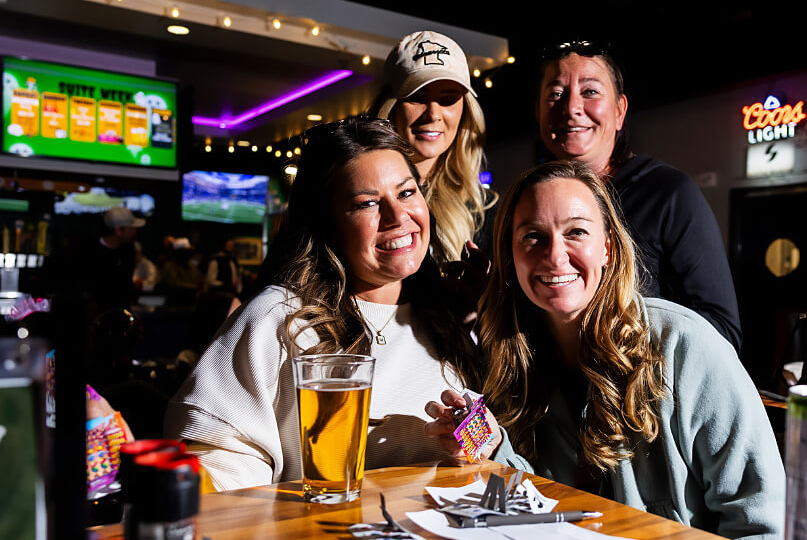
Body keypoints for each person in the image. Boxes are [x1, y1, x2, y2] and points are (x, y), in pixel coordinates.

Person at [434, 160, 784, 540]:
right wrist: (491, 448)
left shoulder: (683, 344)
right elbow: (542, 509)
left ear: (607, 249)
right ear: (510, 257)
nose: (554, 255)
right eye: (532, 236)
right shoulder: (510, 359)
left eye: (576, 232)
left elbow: (761, 524)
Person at [165, 117, 521, 491]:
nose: (398, 217)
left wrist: (477, 439)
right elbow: (216, 472)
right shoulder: (279, 320)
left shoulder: (451, 316)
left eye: (406, 193)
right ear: (327, 223)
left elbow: (490, 462)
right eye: (367, 203)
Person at [536, 41, 742, 352]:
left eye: (590, 91)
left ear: (619, 111)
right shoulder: (530, 204)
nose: (571, 108)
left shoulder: (668, 193)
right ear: (537, 112)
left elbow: (722, 331)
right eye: (555, 94)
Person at [373, 30, 496, 262]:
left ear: (465, 110)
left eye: (448, 99)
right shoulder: (358, 195)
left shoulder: (483, 209)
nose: (433, 115)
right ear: (390, 105)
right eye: (417, 97)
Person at [88, 206, 145, 313]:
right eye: (131, 228)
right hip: (99, 314)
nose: (135, 231)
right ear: (118, 230)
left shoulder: (129, 249)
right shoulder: (90, 252)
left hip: (123, 311)